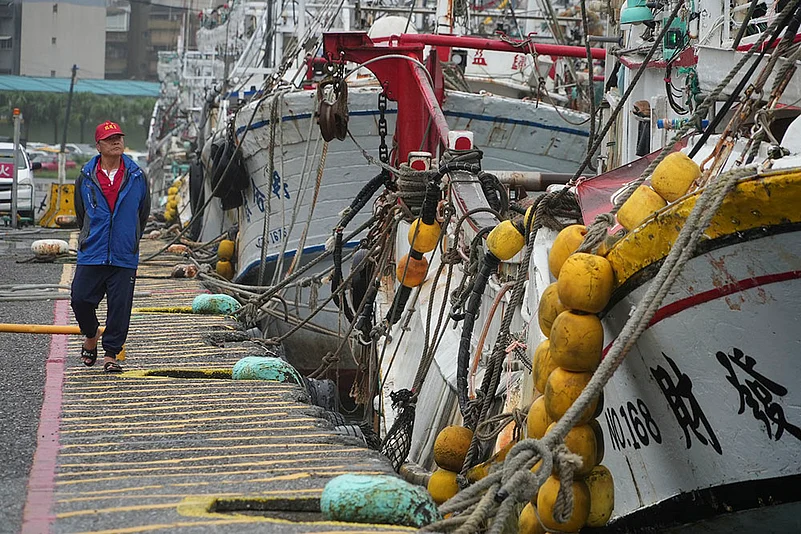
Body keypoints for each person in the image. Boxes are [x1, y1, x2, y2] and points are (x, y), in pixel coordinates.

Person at [71, 121, 150, 372]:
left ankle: (110, 354)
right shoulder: (85, 177)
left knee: (120, 308)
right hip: (92, 251)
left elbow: (143, 213)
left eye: (118, 137)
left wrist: (130, 238)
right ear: (98, 146)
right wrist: (92, 236)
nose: (116, 141)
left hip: (123, 253)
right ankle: (91, 334)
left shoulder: (137, 176)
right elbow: (81, 213)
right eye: (109, 138)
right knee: (80, 299)